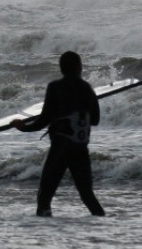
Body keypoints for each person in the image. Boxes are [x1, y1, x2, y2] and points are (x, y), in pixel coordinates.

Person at [15, 51, 105, 217]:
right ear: (79, 67)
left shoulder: (55, 87)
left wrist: (23, 127)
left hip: (61, 148)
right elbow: (95, 120)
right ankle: (103, 222)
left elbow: (43, 121)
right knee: (87, 195)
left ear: (61, 68)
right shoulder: (87, 88)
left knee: (44, 196)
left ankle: (44, 228)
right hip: (80, 148)